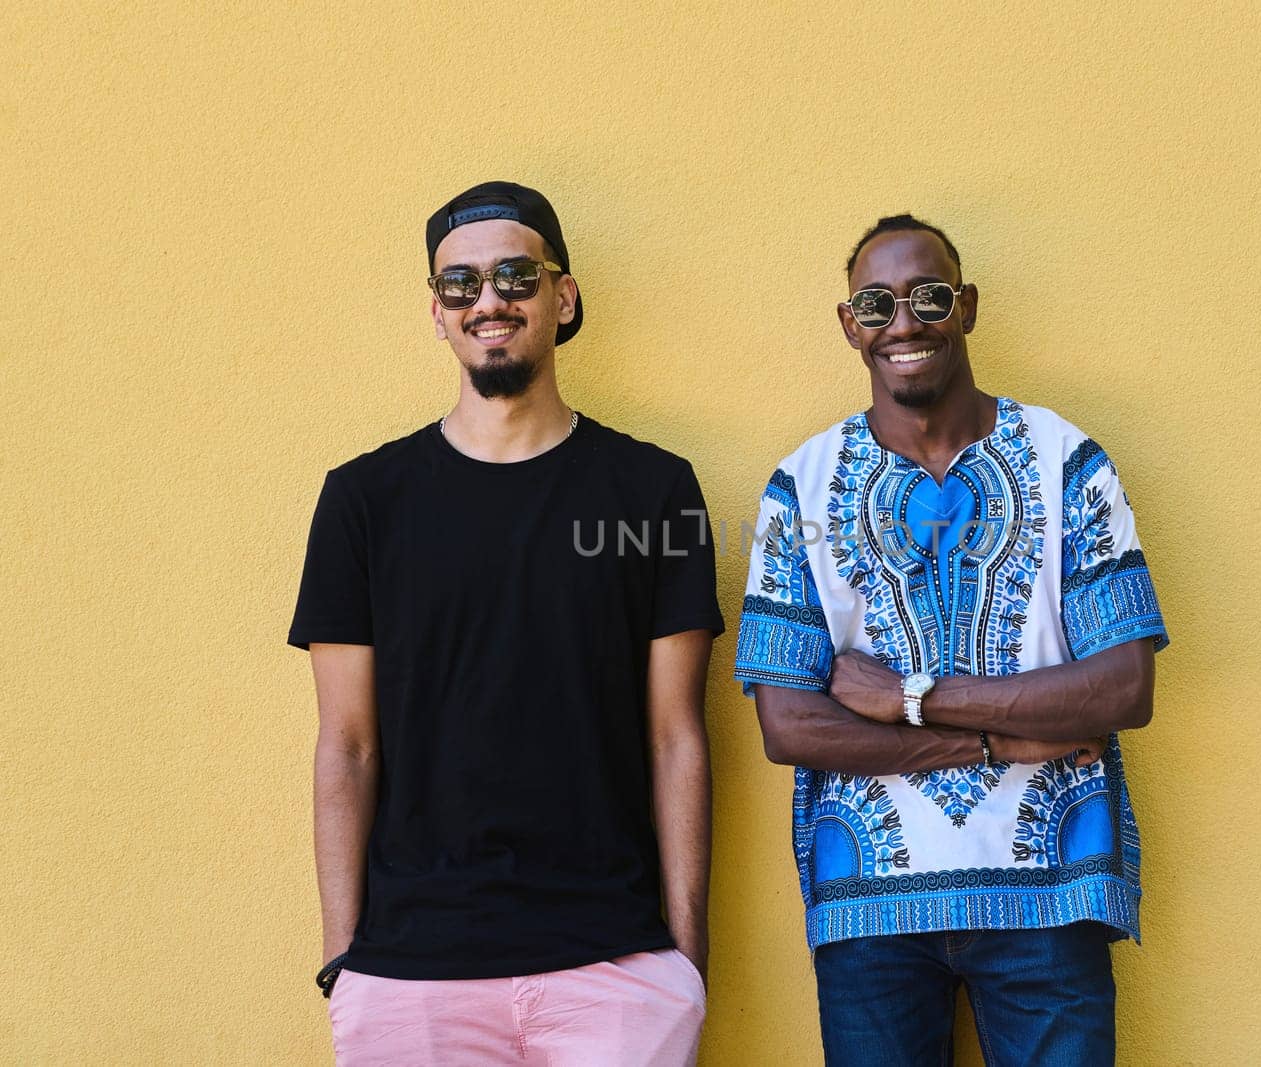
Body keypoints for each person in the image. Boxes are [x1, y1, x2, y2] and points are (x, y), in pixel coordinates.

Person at [289, 181, 722, 1065]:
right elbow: (347, 744)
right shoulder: (364, 501)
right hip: (411, 972)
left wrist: (684, 961)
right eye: (461, 285)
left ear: (562, 298)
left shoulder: (654, 492)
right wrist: (345, 961)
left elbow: (677, 735)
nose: (489, 300)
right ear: (438, 313)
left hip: (616, 961)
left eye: (516, 275)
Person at [734, 214, 1169, 1065]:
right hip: (872, 914)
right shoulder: (800, 488)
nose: (904, 321)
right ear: (849, 324)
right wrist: (997, 734)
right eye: (877, 302)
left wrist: (907, 699)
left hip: (1049, 898)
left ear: (965, 307)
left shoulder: (1066, 459)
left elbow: (1123, 689)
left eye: (929, 296)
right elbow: (790, 725)